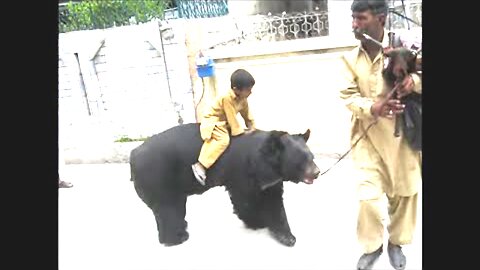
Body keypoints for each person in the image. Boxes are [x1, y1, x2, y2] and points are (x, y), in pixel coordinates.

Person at [339, 1, 422, 269]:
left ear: (382, 20)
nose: (354, 25)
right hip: (367, 138)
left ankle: (396, 243)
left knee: (405, 195)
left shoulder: (407, 45)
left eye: (361, 18)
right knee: (369, 199)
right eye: (353, 19)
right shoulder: (349, 59)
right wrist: (373, 107)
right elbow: (348, 96)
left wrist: (414, 82)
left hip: (404, 138)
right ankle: (372, 246)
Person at [191, 69, 256, 185]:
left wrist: (252, 126)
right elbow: (231, 117)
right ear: (236, 89)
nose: (251, 92)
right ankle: (201, 165)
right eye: (248, 90)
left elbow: (246, 113)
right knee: (223, 140)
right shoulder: (227, 98)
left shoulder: (243, 99)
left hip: (224, 122)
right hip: (213, 120)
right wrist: (240, 132)